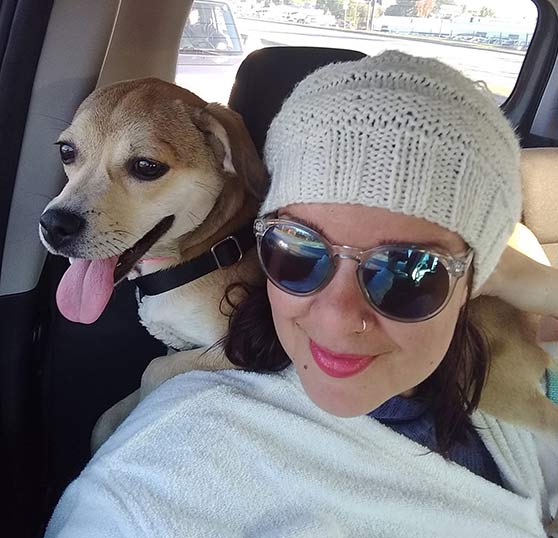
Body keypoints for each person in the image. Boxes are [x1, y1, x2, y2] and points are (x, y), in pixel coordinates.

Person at [45, 51, 557, 537]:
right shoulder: (148, 493)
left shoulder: (498, 377)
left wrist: (531, 283)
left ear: (476, 277)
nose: (336, 317)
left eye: (409, 269)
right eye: (296, 249)